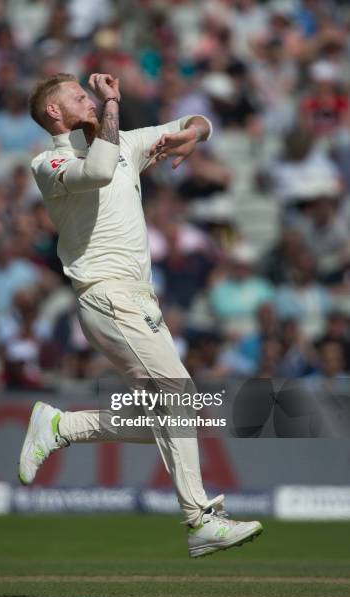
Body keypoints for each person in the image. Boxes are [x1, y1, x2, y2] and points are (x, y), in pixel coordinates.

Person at [19, 72, 262, 557]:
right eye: (76, 96)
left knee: (175, 411)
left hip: (137, 299)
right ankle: (199, 521)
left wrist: (193, 133)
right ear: (54, 112)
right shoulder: (51, 162)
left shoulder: (127, 144)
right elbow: (100, 171)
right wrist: (111, 103)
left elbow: (199, 121)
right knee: (181, 397)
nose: (87, 98)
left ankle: (64, 428)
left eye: (90, 94)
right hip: (105, 294)